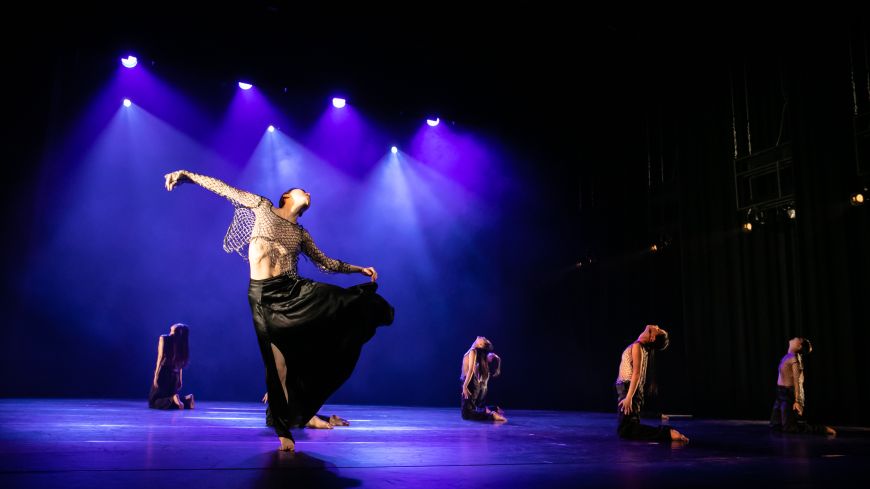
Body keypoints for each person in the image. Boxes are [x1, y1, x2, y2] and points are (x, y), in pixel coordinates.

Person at [165, 170, 395, 451]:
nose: (309, 194)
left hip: (294, 289)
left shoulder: (300, 234)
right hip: (264, 296)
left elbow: (326, 262)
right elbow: (224, 188)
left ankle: (371, 311)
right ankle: (284, 425)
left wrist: (358, 269)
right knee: (278, 366)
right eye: (303, 190)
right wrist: (187, 175)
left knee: (341, 301)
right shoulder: (262, 206)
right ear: (287, 196)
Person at [615, 324, 688, 442]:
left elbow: (636, 374)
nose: (657, 326)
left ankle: (666, 433)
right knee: (627, 428)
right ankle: (666, 432)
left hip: (629, 390)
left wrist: (629, 397)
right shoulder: (640, 346)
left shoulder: (638, 346)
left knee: (626, 430)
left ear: (653, 338)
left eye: (658, 330)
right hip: (629, 390)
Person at [770, 337, 836, 436]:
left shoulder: (794, 358)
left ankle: (822, 429)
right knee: (775, 425)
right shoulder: (788, 356)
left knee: (790, 428)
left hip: (788, 395)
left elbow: (798, 380)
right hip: (780, 393)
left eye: (798, 339)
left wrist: (797, 400)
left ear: (799, 346)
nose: (795, 338)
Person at [149, 323, 194, 410]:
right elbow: (180, 363)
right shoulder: (182, 343)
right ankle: (187, 400)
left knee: (153, 402)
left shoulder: (164, 338)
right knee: (168, 401)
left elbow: (160, 358)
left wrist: (156, 375)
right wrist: (180, 379)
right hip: (175, 376)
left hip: (163, 373)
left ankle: (173, 398)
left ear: (174, 329)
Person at [460, 336, 506, 422]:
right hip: (469, 382)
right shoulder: (472, 350)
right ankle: (493, 409)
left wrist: (465, 386)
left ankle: (491, 415)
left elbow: (470, 370)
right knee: (473, 408)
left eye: (484, 339)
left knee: (466, 415)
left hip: (469, 382)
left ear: (480, 344)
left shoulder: (473, 351)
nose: (483, 337)